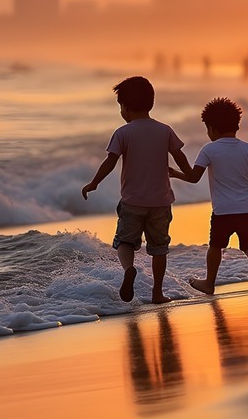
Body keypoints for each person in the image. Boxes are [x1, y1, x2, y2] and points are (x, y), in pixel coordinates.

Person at [81, 76, 192, 304]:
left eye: (121, 107)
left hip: (132, 202)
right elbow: (179, 156)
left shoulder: (123, 133)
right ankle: (157, 292)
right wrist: (189, 173)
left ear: (127, 107)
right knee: (159, 248)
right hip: (161, 202)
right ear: (150, 103)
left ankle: (128, 268)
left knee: (124, 241)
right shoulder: (165, 130)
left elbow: (110, 162)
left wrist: (94, 182)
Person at [173, 97, 248, 295]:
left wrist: (174, 173)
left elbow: (194, 177)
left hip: (223, 211)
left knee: (215, 246)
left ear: (212, 128)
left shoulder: (209, 150)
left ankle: (209, 282)